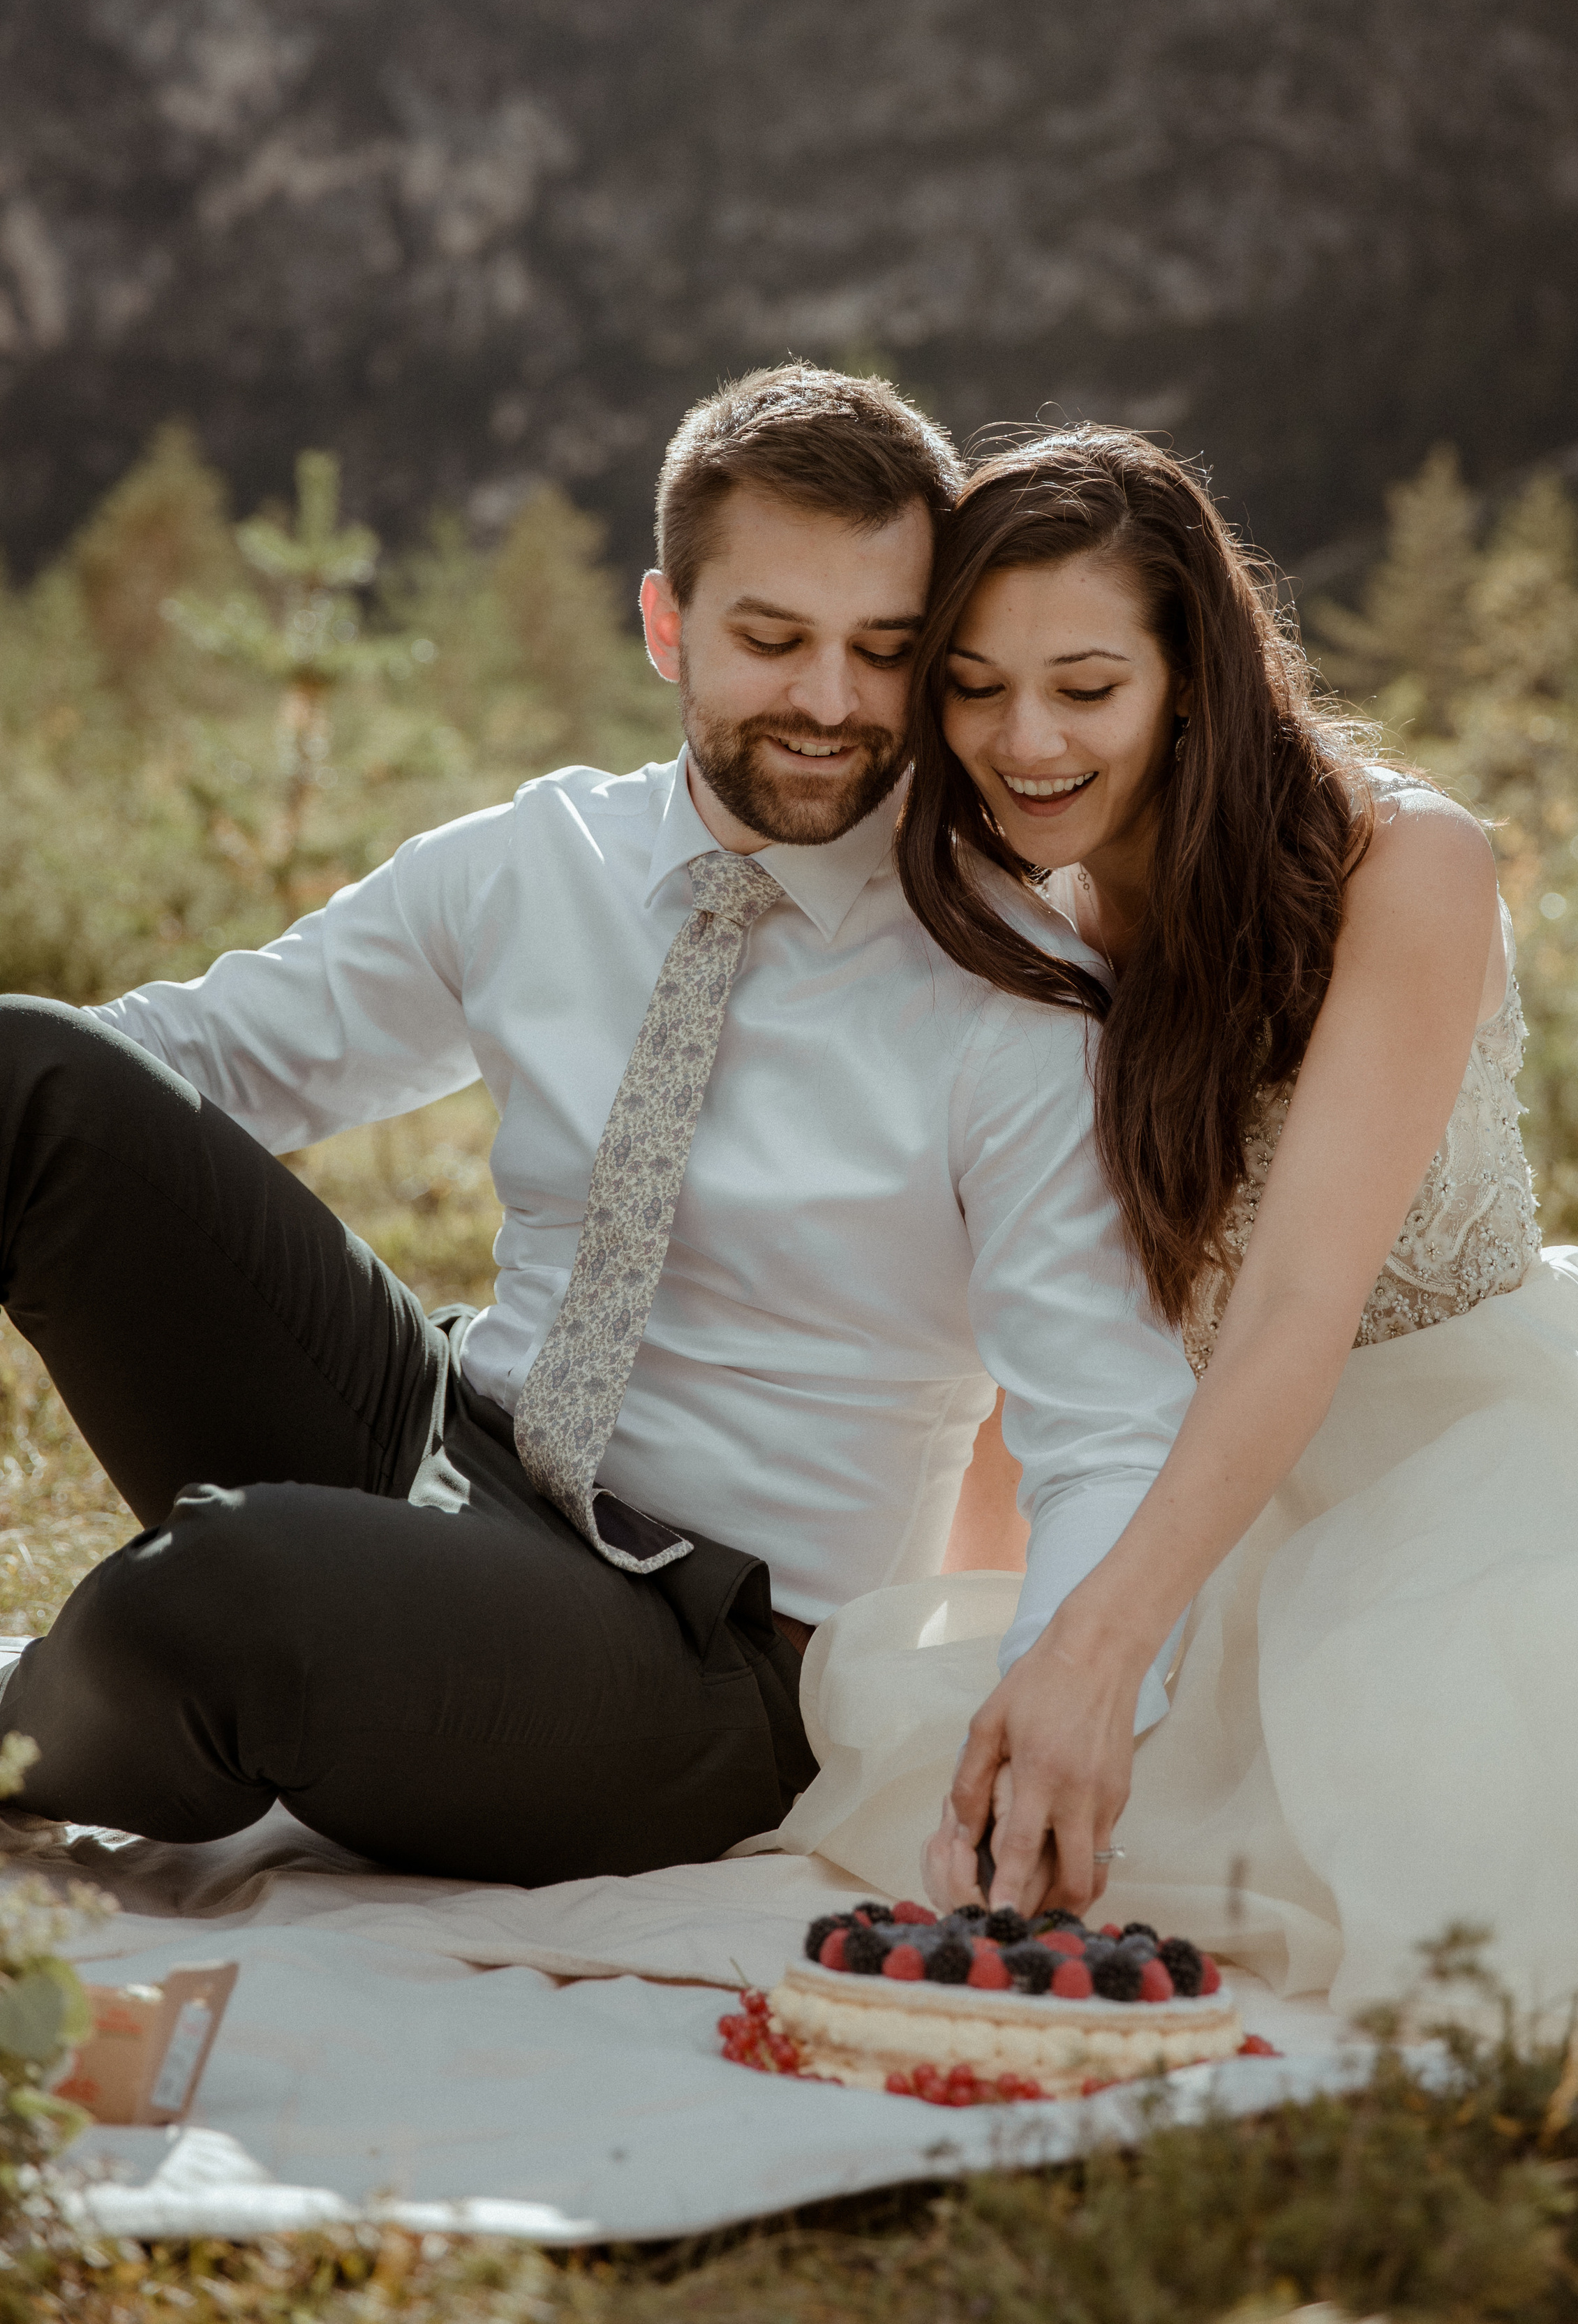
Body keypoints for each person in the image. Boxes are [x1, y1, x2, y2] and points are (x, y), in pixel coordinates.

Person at [0, 369, 1200, 1886]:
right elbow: (188, 1063)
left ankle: (50, 1713)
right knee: (30, 1077)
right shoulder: (538, 857)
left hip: (713, 1660)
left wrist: (1068, 1699)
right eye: (773, 640)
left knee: (227, 1588)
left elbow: (1105, 1428)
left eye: (884, 651)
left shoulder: (1016, 1005)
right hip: (446, 1438)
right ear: (666, 626)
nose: (832, 701)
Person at [789, 424, 1578, 2023]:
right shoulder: (1011, 914)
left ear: (1193, 677)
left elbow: (1293, 1303)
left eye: (1085, 687)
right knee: (951, 1791)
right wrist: (993, 1635)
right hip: (1192, 1488)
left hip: (1476, 1467)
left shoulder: (1404, 862)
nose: (1022, 740)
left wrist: (1095, 1653)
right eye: (972, 688)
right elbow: (1038, 1329)